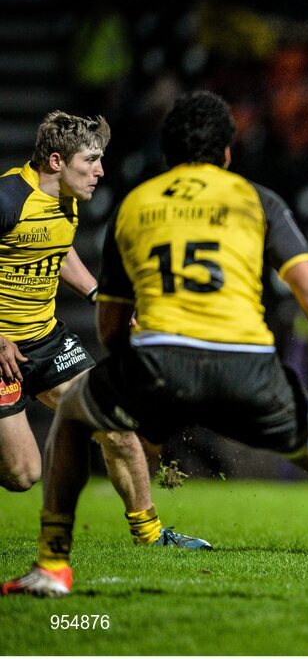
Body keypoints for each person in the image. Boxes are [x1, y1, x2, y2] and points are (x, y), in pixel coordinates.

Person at [1, 91, 308, 607]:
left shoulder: (134, 204)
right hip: (247, 362)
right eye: (92, 160)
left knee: (75, 420)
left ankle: (55, 564)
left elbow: (111, 320)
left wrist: (127, 372)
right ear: (229, 152)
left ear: (167, 152)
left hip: (158, 357)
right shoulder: (257, 199)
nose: (100, 169)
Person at [0, 111, 208, 550]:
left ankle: (150, 535)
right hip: (2, 349)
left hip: (45, 339)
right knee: (22, 474)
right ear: (57, 161)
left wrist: (100, 296)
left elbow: (57, 249)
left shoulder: (66, 199)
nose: (100, 171)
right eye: (91, 160)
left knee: (115, 424)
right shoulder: (7, 198)